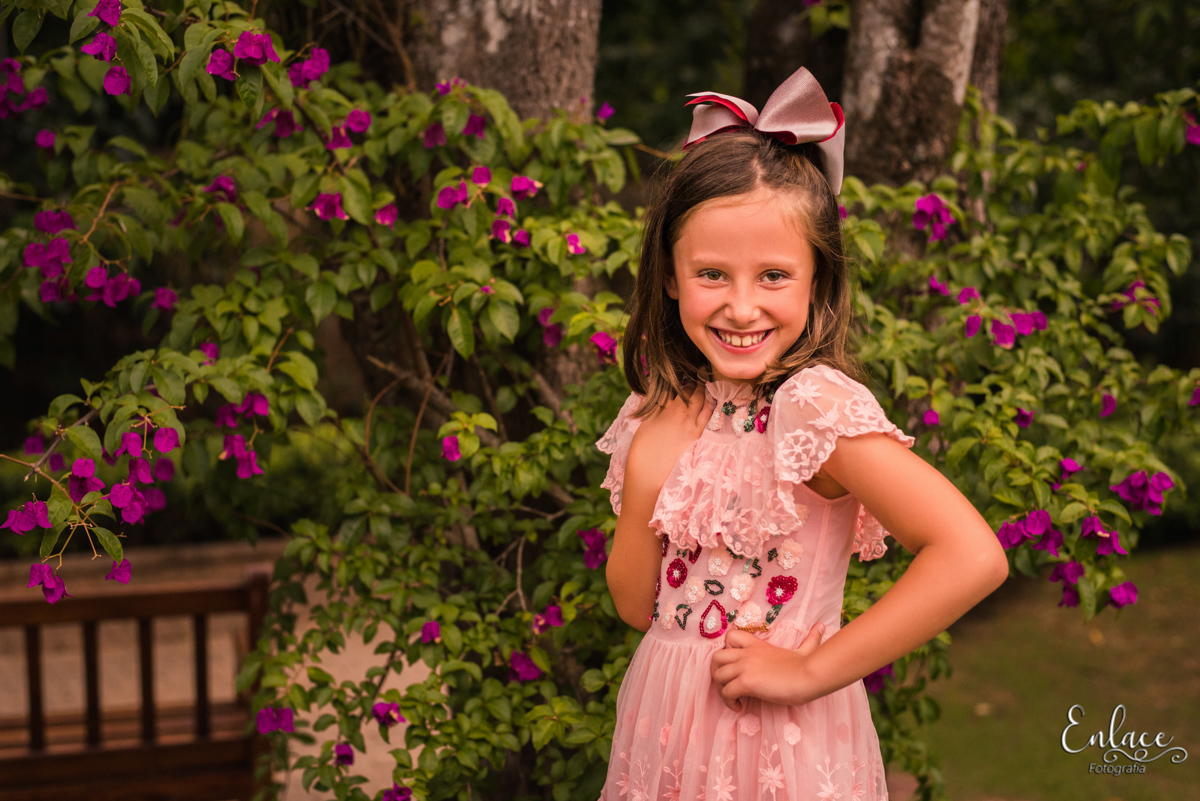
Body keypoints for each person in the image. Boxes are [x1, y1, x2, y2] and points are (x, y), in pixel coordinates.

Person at [594, 67, 1009, 801]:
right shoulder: (661, 405)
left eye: (775, 276)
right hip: (663, 728)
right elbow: (635, 605)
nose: (742, 306)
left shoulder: (810, 407)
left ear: (818, 279)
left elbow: (972, 554)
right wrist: (646, 479)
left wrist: (811, 670)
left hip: (775, 742)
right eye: (713, 273)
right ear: (669, 274)